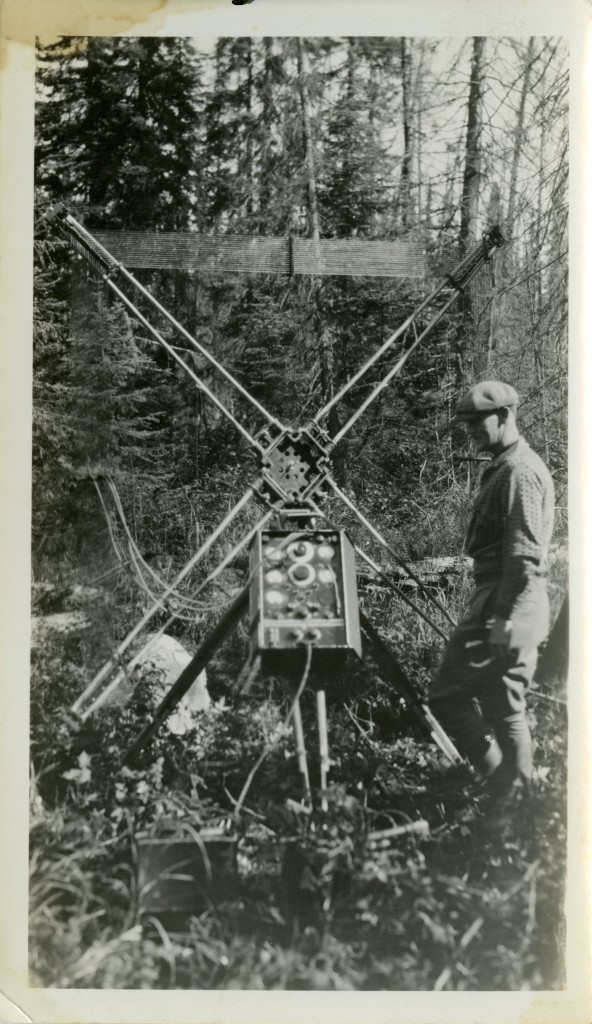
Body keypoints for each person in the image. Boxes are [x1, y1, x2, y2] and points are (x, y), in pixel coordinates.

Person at [429, 381, 555, 804]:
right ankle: (506, 794)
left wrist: (501, 617)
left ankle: (510, 800)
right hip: (504, 597)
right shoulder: (507, 465)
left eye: (476, 422)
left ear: (504, 416)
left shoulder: (519, 470)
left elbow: (523, 554)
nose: (470, 432)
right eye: (465, 425)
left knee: (468, 699)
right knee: (497, 702)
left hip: (510, 600)